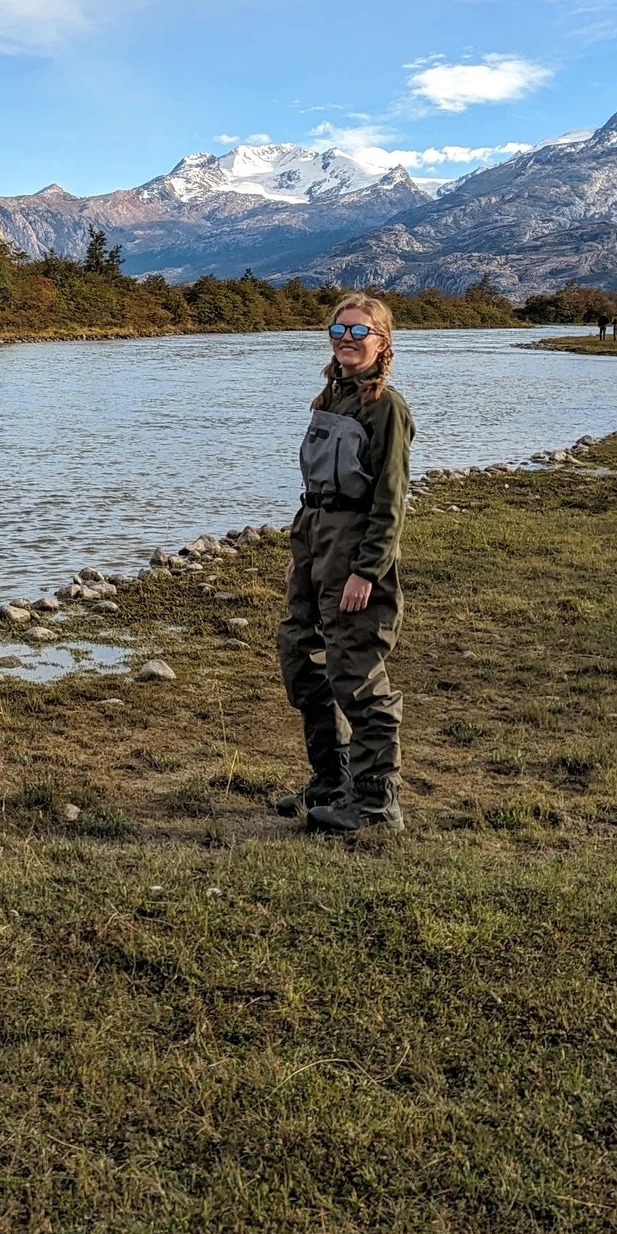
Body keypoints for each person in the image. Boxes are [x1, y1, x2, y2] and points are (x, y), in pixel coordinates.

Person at [272, 292, 413, 834]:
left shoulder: (387, 409)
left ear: (382, 341)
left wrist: (367, 570)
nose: (347, 341)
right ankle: (331, 781)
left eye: (359, 332)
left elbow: (391, 498)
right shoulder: (329, 398)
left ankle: (377, 803)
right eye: (339, 331)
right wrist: (300, 556)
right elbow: (314, 489)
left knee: (354, 668)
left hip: (355, 548)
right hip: (315, 542)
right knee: (296, 656)